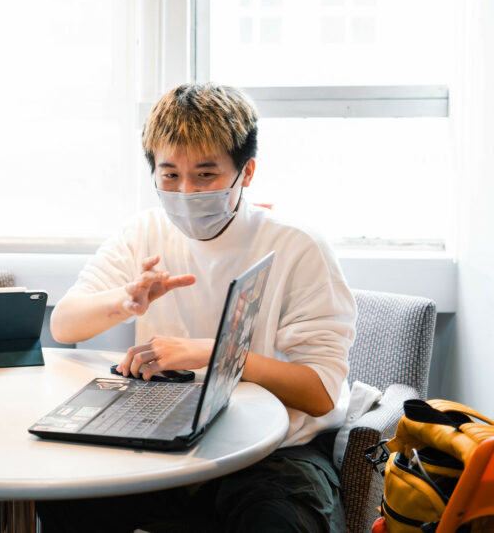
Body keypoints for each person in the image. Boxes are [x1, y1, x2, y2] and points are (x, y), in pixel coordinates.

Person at [39, 83, 356, 533]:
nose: (185, 192)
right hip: (166, 438)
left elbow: (320, 392)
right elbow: (65, 324)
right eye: (169, 175)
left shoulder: (297, 246)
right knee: (67, 502)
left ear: (246, 172)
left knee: (275, 522)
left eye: (205, 175)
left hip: (278, 450)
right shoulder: (143, 233)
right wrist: (125, 300)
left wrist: (214, 354)